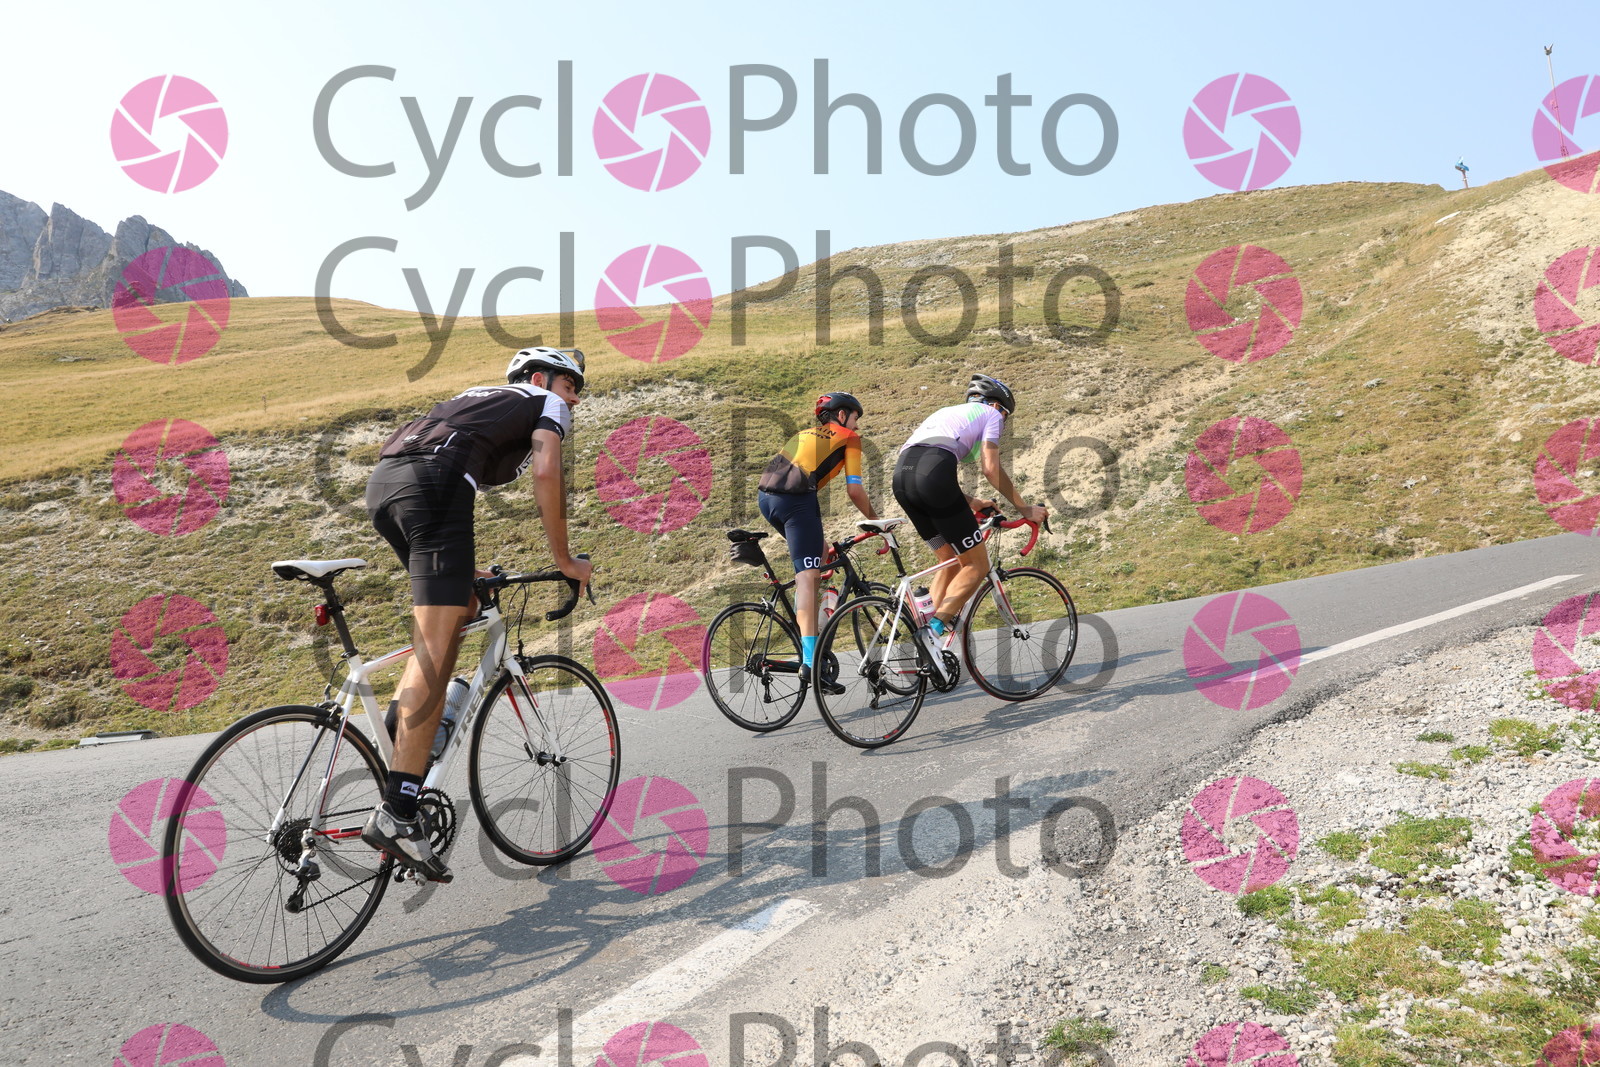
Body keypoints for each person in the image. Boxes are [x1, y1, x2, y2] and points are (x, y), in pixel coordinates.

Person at [360, 346, 593, 882]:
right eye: (571, 386)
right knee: (436, 647)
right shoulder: (542, 401)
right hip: (435, 487)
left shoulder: (475, 400)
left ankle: (405, 726)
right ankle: (398, 810)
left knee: (458, 608)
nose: (575, 400)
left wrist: (465, 573)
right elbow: (547, 474)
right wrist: (565, 560)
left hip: (385, 485)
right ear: (540, 378)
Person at [891, 374, 1047, 649]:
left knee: (949, 558)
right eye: (1006, 418)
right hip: (934, 479)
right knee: (977, 565)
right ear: (997, 405)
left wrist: (971, 501)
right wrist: (1024, 508)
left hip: (902, 481)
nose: (1003, 425)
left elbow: (923, 473)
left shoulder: (945, 413)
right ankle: (932, 632)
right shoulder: (992, 414)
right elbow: (990, 468)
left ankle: (926, 644)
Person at [755, 392, 882, 694]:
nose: (857, 425)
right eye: (855, 417)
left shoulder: (803, 434)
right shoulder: (849, 437)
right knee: (808, 578)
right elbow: (855, 491)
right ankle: (811, 663)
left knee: (820, 553)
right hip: (797, 502)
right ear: (842, 415)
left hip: (766, 500)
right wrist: (878, 522)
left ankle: (808, 628)